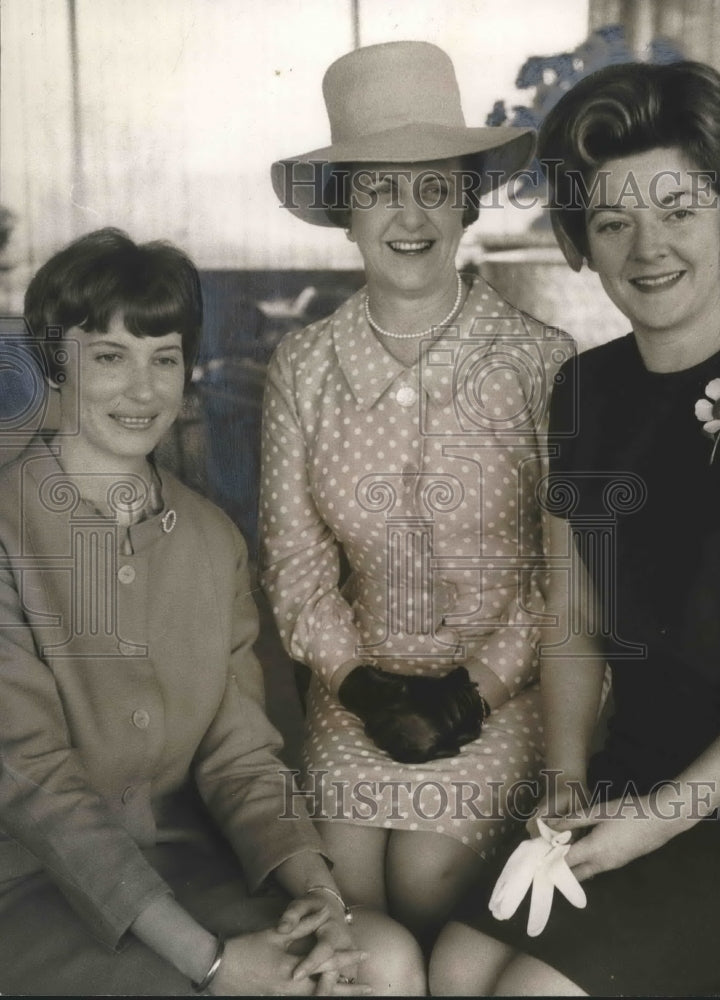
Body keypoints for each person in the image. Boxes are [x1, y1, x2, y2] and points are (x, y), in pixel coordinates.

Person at [0, 228, 425, 996]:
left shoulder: (212, 537)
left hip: (191, 869)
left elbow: (240, 758)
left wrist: (318, 898)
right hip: (32, 890)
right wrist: (213, 963)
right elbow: (32, 784)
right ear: (52, 366)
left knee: (382, 958)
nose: (143, 388)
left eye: (164, 358)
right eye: (108, 356)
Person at [429, 60, 720, 996]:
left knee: (530, 994)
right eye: (611, 221)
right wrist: (570, 779)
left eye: (676, 210)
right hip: (634, 771)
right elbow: (574, 622)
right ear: (579, 238)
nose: (646, 247)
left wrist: (659, 819)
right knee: (454, 971)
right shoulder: (584, 392)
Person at [262, 40, 570, 947]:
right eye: (379, 186)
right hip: (351, 683)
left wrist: (473, 693)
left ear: (468, 201)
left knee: (425, 875)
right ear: (343, 210)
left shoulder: (541, 361)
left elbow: (564, 574)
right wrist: (358, 684)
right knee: (353, 884)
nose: (409, 214)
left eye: (434, 186)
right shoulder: (302, 366)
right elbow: (294, 561)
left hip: (503, 691)